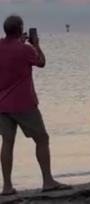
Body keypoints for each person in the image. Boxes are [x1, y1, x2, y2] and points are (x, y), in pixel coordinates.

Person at [0, 15, 70, 195]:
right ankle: (47, 181)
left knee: (7, 142)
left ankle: (7, 186)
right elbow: (41, 62)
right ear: (20, 29)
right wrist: (35, 44)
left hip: (2, 104)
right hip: (23, 102)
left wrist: (21, 43)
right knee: (42, 139)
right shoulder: (25, 49)